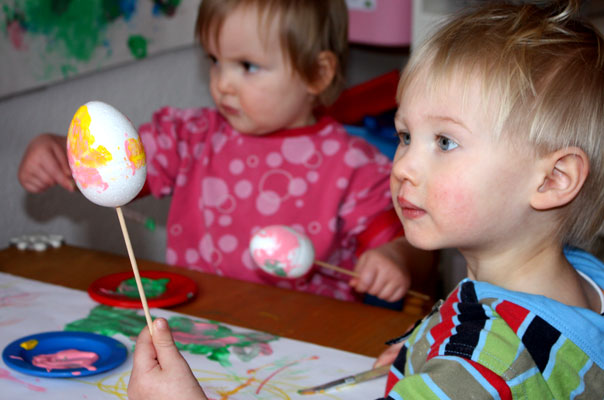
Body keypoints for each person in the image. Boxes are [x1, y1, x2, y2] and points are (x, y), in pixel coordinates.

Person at [127, 1, 604, 399]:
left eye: (445, 142)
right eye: (404, 135)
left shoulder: (479, 369)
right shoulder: (586, 279)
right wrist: (428, 353)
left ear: (554, 179)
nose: (401, 166)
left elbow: (484, 372)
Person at [17, 0, 434, 303]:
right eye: (215, 60)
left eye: (247, 66)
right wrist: (62, 152)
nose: (223, 83)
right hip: (201, 323)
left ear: (316, 74)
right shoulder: (191, 135)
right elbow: (117, 172)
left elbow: (403, 238)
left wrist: (392, 257)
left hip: (308, 336)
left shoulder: (352, 163)